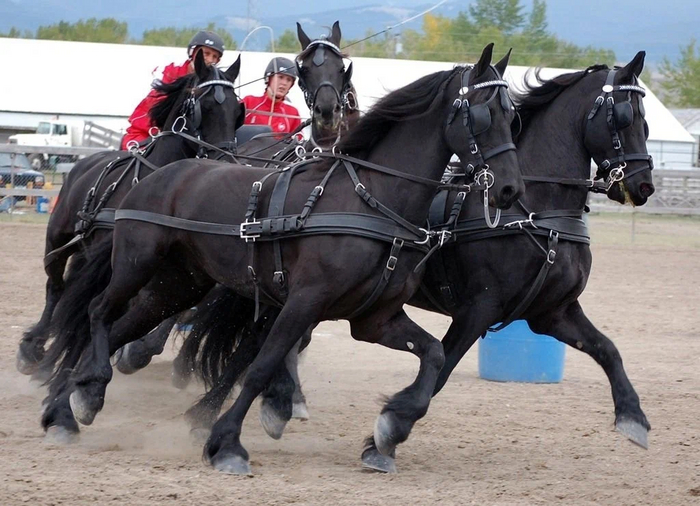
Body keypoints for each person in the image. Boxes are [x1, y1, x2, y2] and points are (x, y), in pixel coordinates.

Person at [120, 30, 226, 149]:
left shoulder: (217, 86)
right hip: (145, 135)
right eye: (206, 53)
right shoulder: (168, 73)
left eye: (215, 57)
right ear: (192, 52)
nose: (210, 60)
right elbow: (158, 107)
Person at [241, 57, 302, 134]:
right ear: (268, 78)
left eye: (288, 80)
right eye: (280, 77)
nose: (284, 83)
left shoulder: (292, 113)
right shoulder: (248, 102)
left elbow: (299, 139)